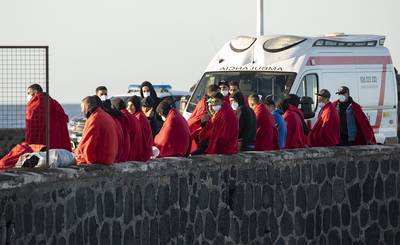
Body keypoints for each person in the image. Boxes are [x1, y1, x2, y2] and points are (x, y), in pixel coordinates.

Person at [26, 84, 71, 151]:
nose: (27, 96)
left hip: (39, 140)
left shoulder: (35, 102)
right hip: (54, 137)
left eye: (28, 93)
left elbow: (31, 121)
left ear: (35, 92)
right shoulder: (54, 102)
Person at [75, 96, 118, 165]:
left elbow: (88, 144)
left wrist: (79, 158)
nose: (82, 110)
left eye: (82, 107)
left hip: (100, 160)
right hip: (109, 159)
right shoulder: (106, 115)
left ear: (87, 105)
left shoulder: (95, 117)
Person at [187, 84, 219, 153]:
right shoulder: (204, 102)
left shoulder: (206, 101)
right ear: (213, 92)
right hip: (197, 130)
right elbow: (201, 117)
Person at [127, 96, 153, 161]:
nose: (129, 108)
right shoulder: (137, 115)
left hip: (142, 152)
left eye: (132, 105)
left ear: (137, 105)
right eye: (128, 105)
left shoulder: (139, 117)